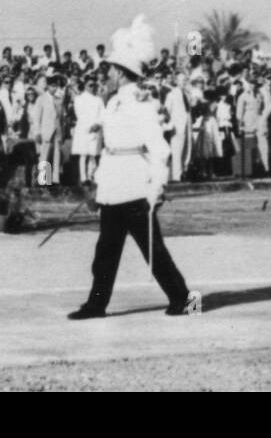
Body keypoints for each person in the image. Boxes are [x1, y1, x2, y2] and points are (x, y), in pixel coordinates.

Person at [69, 18, 194, 319]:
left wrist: (157, 187)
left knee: (154, 251)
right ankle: (96, 305)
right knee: (105, 254)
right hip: (114, 188)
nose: (106, 74)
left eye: (110, 69)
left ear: (121, 73)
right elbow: (110, 149)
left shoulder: (141, 102)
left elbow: (159, 148)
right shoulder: (113, 102)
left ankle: (185, 299)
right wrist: (98, 184)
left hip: (137, 188)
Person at [71, 77, 104, 185]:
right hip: (84, 129)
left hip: (95, 129)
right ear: (85, 85)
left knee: (92, 154)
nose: (93, 87)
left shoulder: (99, 100)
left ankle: (91, 176)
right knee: (83, 154)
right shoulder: (79, 99)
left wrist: (97, 124)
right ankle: (83, 178)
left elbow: (103, 115)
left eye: (94, 85)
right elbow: (80, 115)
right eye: (90, 85)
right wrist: (89, 126)